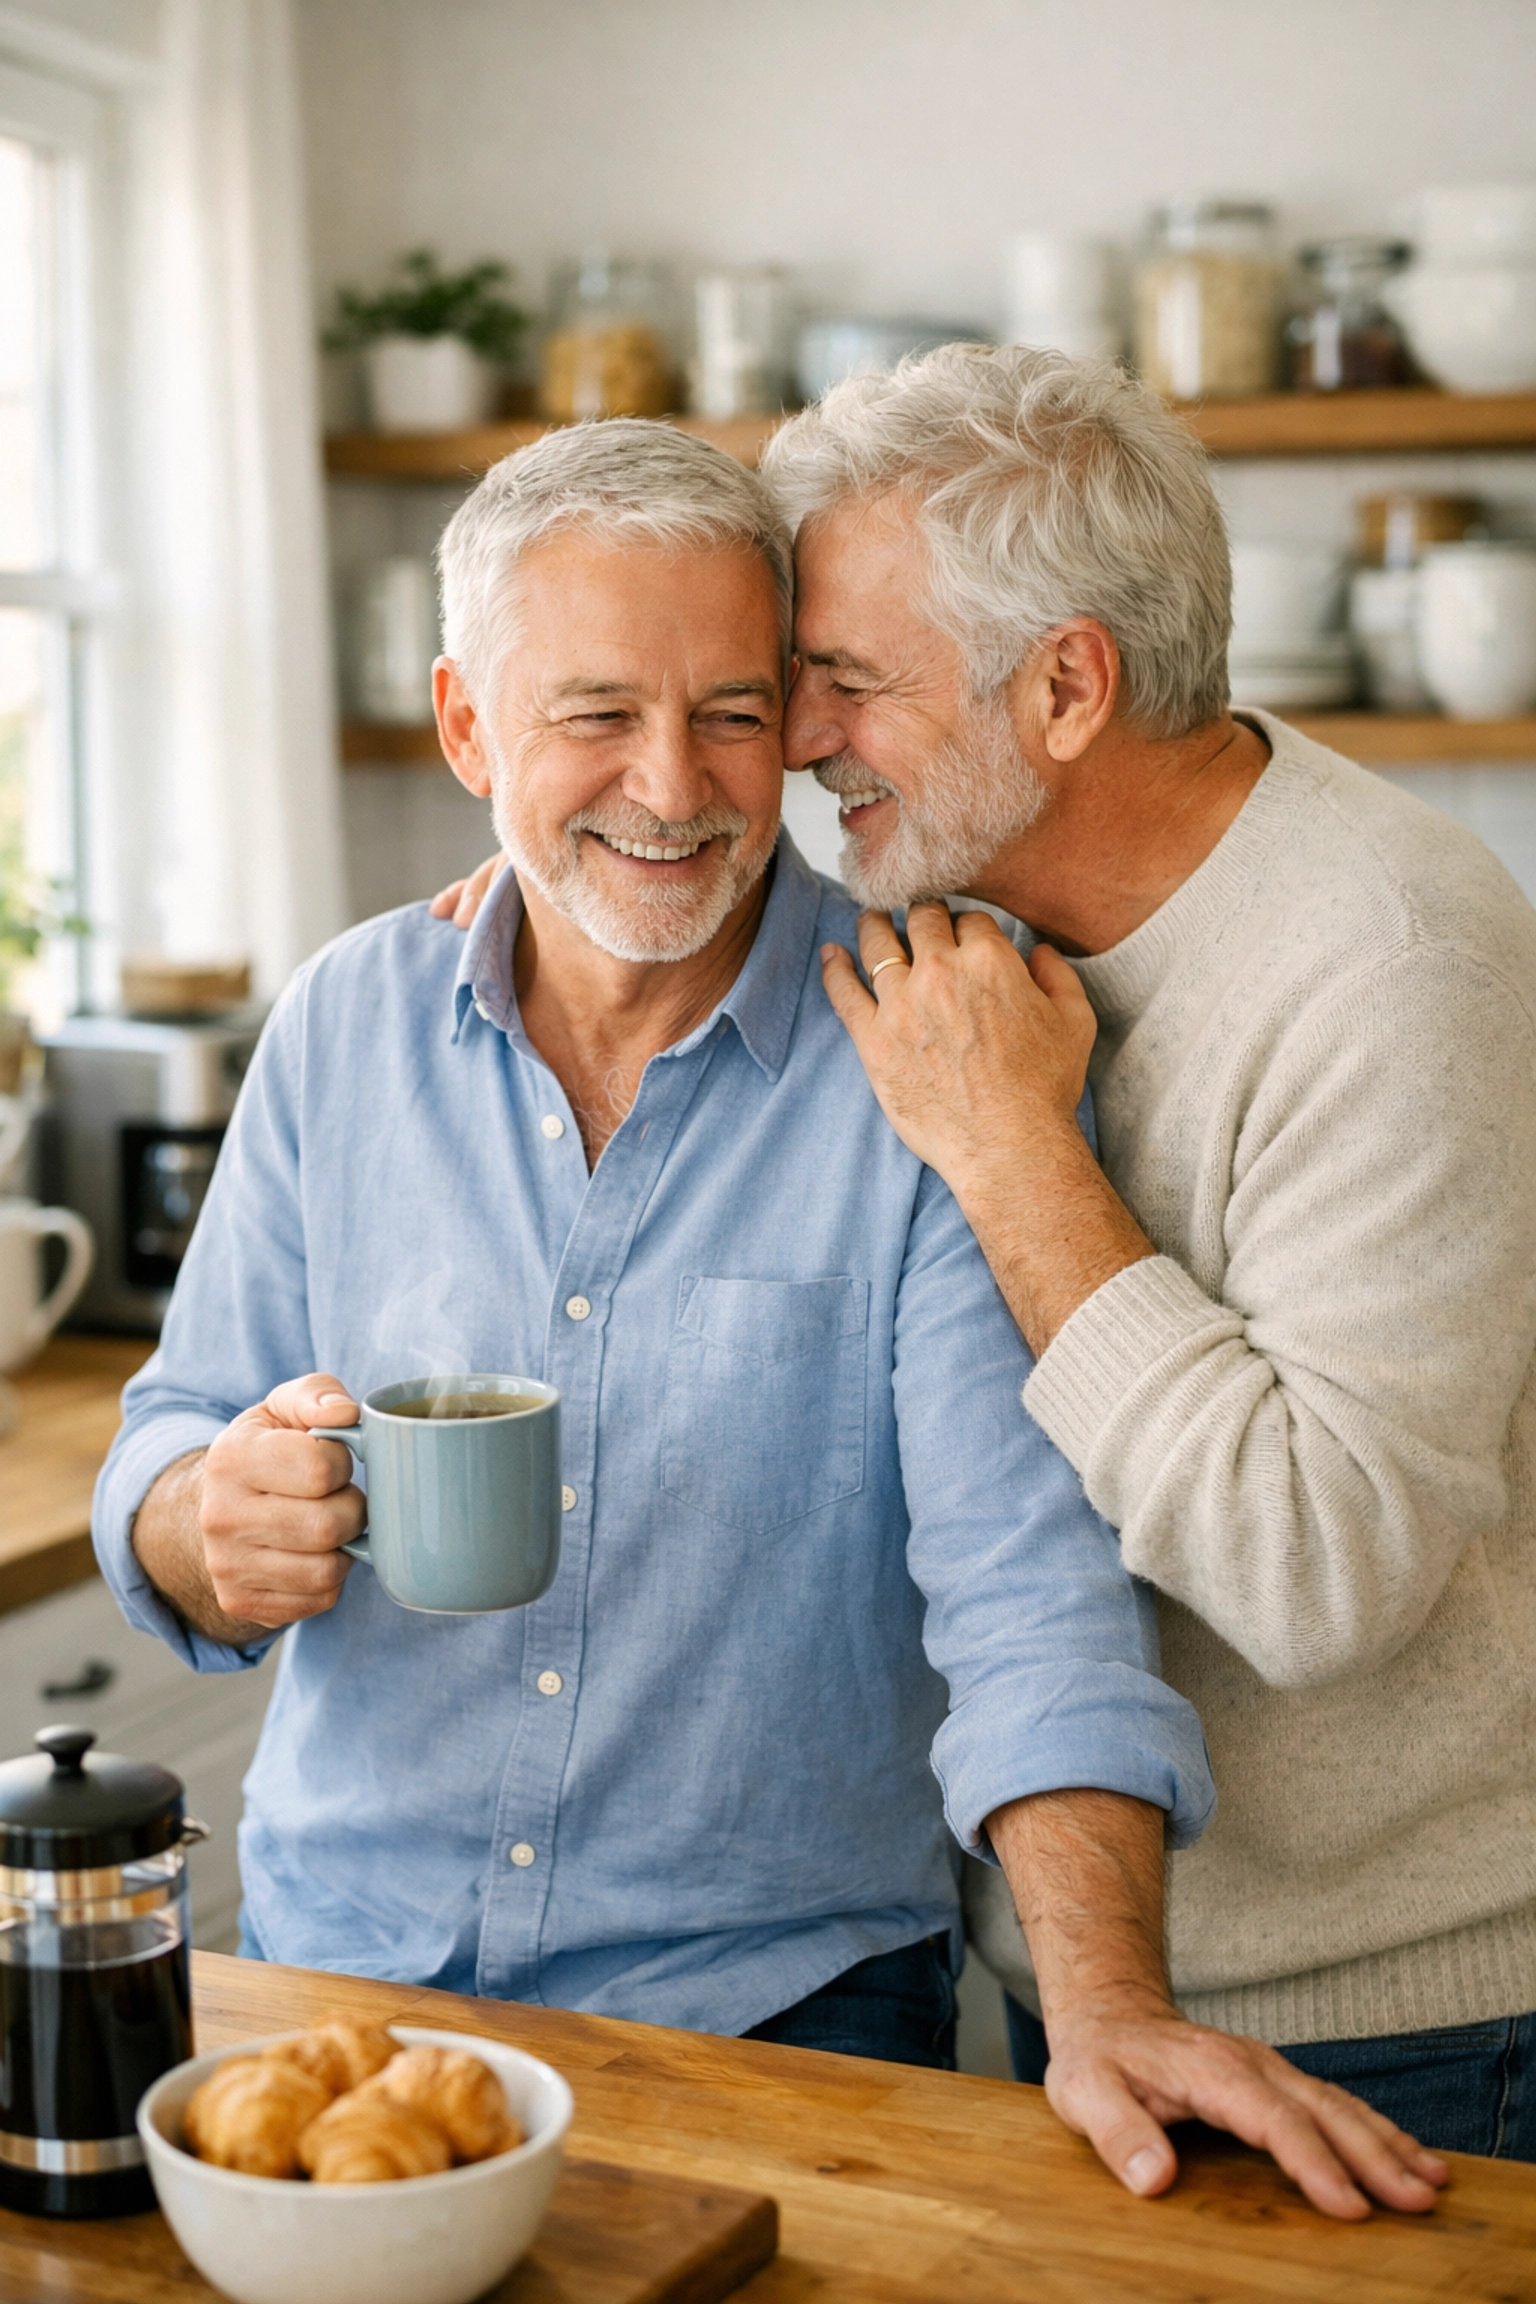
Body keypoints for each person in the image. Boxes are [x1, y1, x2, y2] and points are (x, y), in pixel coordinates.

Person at [92, 423, 1440, 2220]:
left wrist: (1109, 2005)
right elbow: (173, 1431)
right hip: (345, 1990)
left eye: (733, 709)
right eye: (596, 714)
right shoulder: (348, 1019)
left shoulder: (930, 1047)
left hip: (779, 2023)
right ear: (467, 724)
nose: (675, 784)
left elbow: (1031, 1597)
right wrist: (205, 1516)